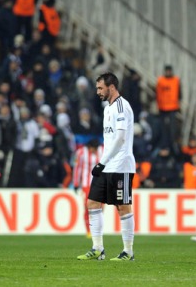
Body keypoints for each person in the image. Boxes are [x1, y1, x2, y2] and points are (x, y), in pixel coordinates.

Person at [77, 72, 135, 261]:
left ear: (111, 87)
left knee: (123, 207)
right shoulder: (107, 108)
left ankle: (128, 252)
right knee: (92, 203)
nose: (98, 92)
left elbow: (120, 138)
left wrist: (101, 162)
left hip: (121, 165)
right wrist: (103, 162)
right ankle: (98, 248)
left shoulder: (121, 106)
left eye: (100, 88)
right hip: (107, 163)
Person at [73, 138, 103, 236]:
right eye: (92, 149)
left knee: (100, 208)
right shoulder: (81, 152)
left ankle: (97, 230)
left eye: (95, 149)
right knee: (88, 207)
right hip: (87, 184)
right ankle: (88, 231)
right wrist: (76, 183)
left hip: (101, 183)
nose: (93, 151)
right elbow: (77, 168)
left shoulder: (103, 150)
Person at [155, 65, 181, 155]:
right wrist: (158, 105)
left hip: (173, 107)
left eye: (169, 71)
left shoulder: (176, 80)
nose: (168, 73)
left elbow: (179, 93)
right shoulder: (161, 80)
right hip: (163, 107)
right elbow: (158, 94)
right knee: (163, 128)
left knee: (172, 129)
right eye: (167, 71)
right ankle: (165, 146)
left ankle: (172, 145)